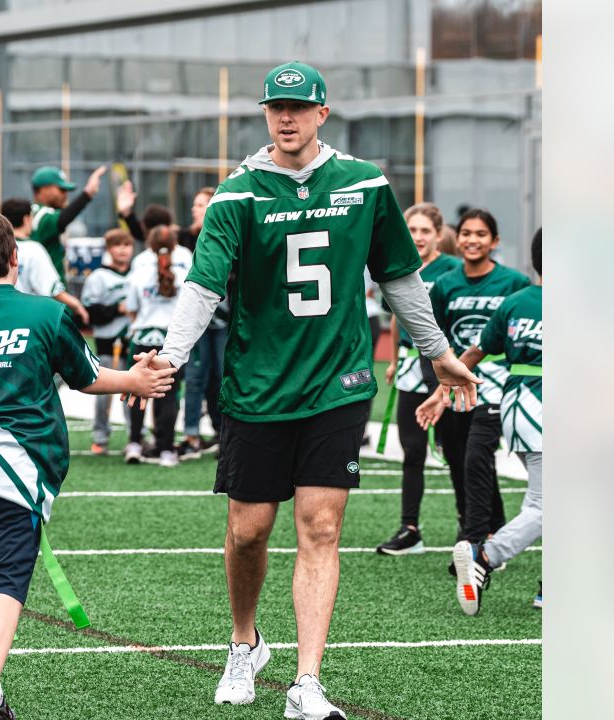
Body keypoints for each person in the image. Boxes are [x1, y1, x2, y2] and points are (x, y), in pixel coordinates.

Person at [143, 61, 480, 719]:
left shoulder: (364, 184)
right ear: (266, 114)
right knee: (249, 530)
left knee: (320, 526)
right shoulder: (238, 194)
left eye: (299, 106)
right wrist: (171, 359)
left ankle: (307, 681)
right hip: (257, 384)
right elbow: (204, 286)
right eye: (276, 107)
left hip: (338, 382)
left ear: (323, 113)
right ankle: (245, 640)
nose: (287, 117)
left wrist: (437, 353)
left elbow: (400, 280)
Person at [0, 206, 176, 720]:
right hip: (15, 469)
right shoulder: (46, 314)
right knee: (4, 587)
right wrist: (138, 381)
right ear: (14, 257)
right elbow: (88, 375)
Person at [426, 209, 531, 556]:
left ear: (495, 241)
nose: (473, 240)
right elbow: (435, 336)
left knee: (477, 455)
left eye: (482, 234)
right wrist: (441, 386)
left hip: (498, 384)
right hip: (458, 383)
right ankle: (485, 522)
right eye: (467, 233)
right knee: (460, 457)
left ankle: (477, 534)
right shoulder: (446, 285)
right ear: (457, 240)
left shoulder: (514, 283)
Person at [375, 202, 464, 555]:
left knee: (456, 450)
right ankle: (410, 529)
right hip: (411, 366)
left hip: (444, 367)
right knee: (412, 450)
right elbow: (398, 314)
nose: (418, 237)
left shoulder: (453, 270)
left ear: (439, 235)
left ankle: (469, 525)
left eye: (425, 230)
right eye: (412, 230)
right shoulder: (399, 265)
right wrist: (396, 358)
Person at [124, 225, 190, 467]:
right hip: (171, 343)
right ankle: (166, 449)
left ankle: (134, 443)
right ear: (175, 245)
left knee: (135, 390)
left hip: (142, 338)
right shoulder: (184, 277)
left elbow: (131, 310)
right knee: (169, 396)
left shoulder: (139, 274)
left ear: (149, 246)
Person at [80, 228, 136, 455]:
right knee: (104, 390)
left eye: (127, 245)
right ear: (109, 249)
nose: (123, 250)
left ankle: (136, 434)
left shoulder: (138, 273)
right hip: (107, 341)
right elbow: (89, 312)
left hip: (132, 339)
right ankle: (100, 435)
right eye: (118, 245)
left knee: (132, 390)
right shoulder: (98, 277)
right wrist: (117, 309)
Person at [180, 187, 226, 459]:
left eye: (202, 204)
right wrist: (126, 213)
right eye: (195, 204)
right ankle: (190, 434)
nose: (196, 209)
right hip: (196, 322)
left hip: (222, 320)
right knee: (195, 378)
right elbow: (149, 233)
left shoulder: (227, 234)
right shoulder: (186, 238)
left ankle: (223, 433)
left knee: (221, 377)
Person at [0, 198, 90, 325]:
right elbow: (53, 290)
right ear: (26, 219)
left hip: (1, 315)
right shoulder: (34, 249)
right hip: (28, 319)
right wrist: (77, 305)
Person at [30, 165, 106, 275]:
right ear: (44, 189)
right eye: (61, 189)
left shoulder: (35, 211)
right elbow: (62, 220)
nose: (65, 194)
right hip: (45, 291)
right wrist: (88, 193)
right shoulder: (41, 214)